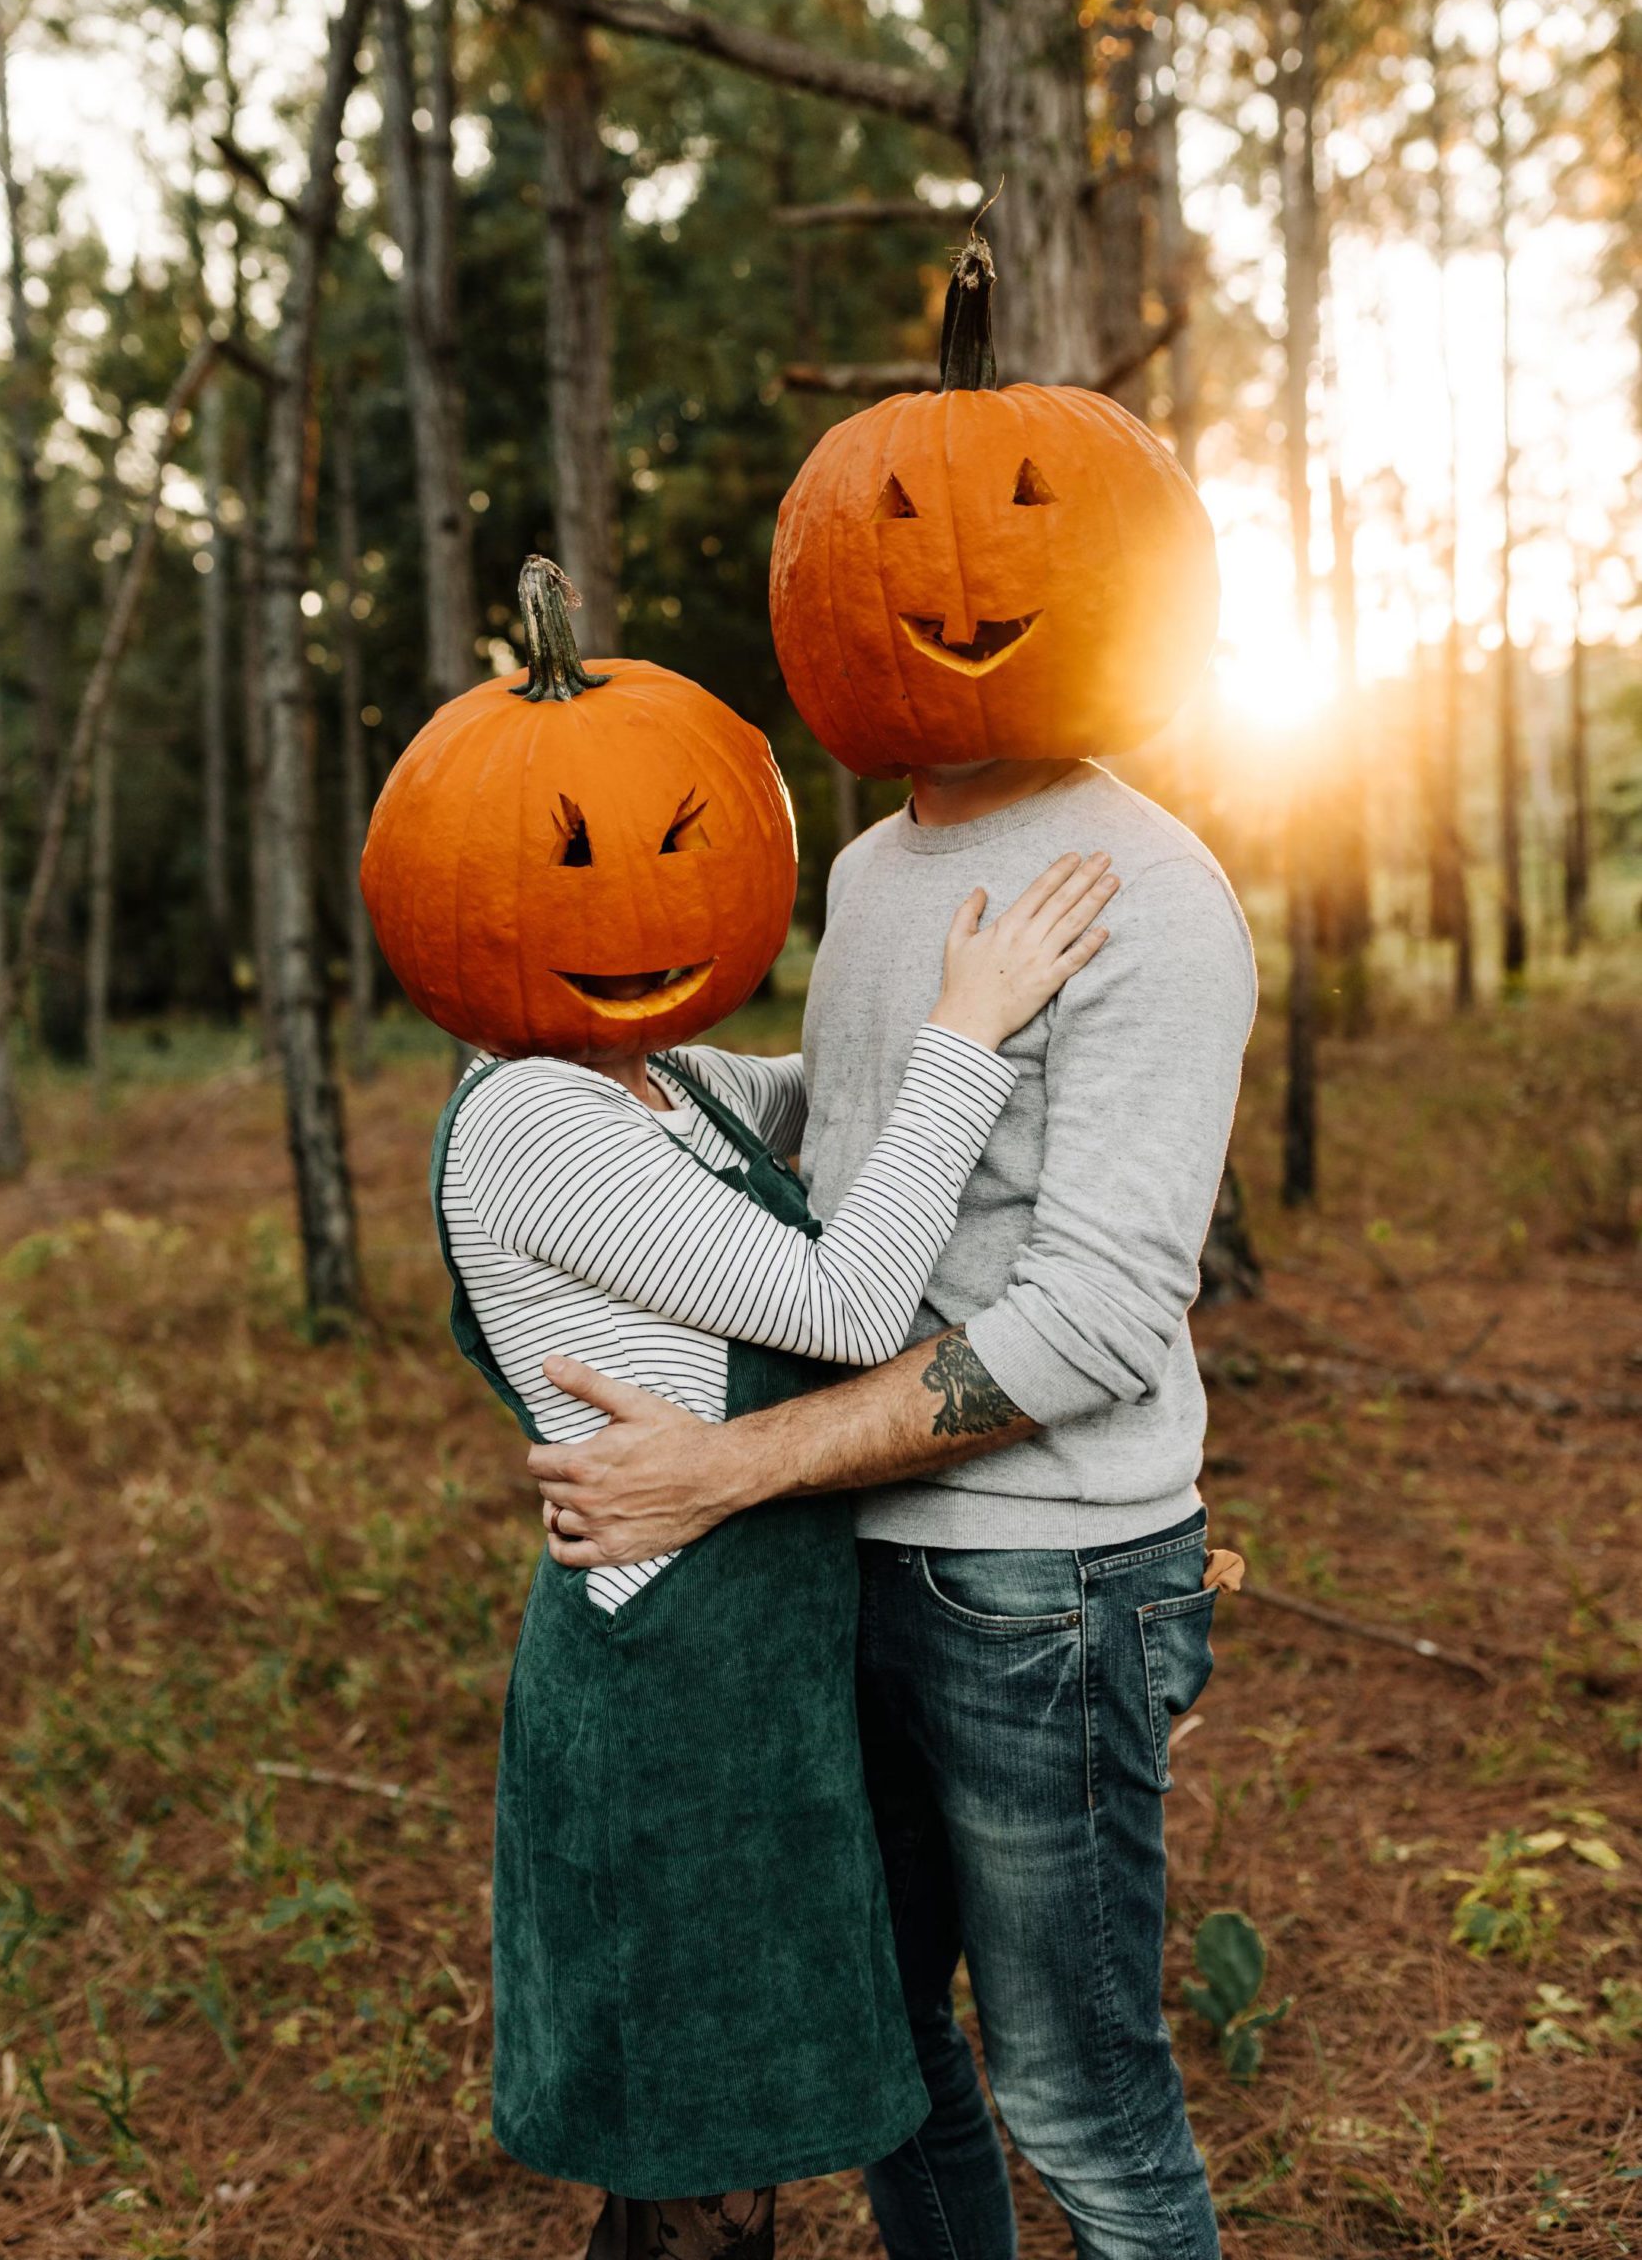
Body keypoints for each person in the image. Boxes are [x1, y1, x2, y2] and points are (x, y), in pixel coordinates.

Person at [404, 565, 1121, 2260]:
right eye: (582, 860)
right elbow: (851, 1304)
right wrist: (967, 1021)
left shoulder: (644, 1080)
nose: (652, 897)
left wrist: (908, 946)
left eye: (684, 842)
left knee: (746, 2155)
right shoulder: (532, 1121)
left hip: (760, 1670)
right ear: (466, 898)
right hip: (672, 1703)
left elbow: (818, 1101)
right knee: (701, 2182)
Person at [528, 748, 1257, 2260]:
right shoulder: (865, 872)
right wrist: (604, 1079)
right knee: (891, 2065)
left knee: (1079, 2099)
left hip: (1044, 1592)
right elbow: (851, 1117)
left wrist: (732, 1464)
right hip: (843, 1571)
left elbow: (1101, 1320)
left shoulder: (1155, 888)